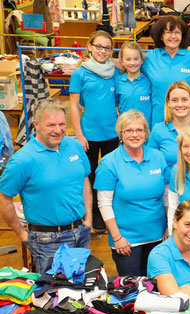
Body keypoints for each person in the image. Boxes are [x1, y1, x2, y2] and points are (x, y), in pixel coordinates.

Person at [0, 99, 93, 314]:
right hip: (46, 238)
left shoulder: (74, 146)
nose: (58, 130)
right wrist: (20, 234)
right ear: (36, 125)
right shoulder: (23, 160)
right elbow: (4, 198)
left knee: (78, 288)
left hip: (80, 232)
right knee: (55, 296)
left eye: (62, 124)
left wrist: (87, 219)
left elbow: (84, 181)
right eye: (51, 124)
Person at [94, 111, 168, 314]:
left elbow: (167, 196)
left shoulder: (157, 157)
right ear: (121, 134)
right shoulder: (110, 163)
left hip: (158, 236)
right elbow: (104, 203)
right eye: (129, 131)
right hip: (127, 240)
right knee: (128, 293)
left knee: (156, 290)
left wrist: (169, 226)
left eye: (139, 130)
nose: (135, 135)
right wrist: (117, 237)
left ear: (146, 133)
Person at [69, 30, 119, 232]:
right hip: (88, 134)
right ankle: (91, 216)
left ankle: (107, 215)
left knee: (108, 175)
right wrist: (79, 134)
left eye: (106, 47)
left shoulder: (116, 72)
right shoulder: (80, 73)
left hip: (112, 134)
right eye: (98, 46)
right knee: (88, 175)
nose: (102, 51)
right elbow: (73, 105)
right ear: (89, 46)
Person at [142, 16, 190, 125]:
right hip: (160, 120)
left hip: (188, 122)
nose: (173, 36)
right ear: (161, 36)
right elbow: (127, 63)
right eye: (168, 32)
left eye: (177, 32)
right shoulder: (149, 58)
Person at [147, 81, 190, 176]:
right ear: (168, 103)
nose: (180, 104)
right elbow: (150, 163)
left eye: (184, 99)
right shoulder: (158, 130)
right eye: (174, 100)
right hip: (167, 186)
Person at [116, 41, 152, 125]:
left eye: (136, 59)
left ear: (142, 60)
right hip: (125, 130)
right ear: (121, 61)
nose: (132, 63)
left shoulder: (149, 81)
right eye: (128, 59)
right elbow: (115, 103)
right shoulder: (118, 81)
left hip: (145, 131)